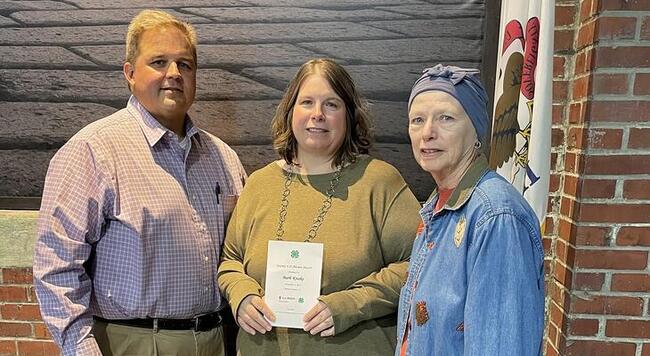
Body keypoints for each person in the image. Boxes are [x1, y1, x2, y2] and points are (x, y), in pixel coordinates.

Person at [33, 9, 245, 356]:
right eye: (159, 62)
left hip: (217, 340)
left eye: (185, 64)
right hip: (133, 343)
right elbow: (56, 268)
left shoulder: (223, 158)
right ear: (129, 73)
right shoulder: (93, 151)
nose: (174, 74)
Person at [218, 58, 421, 355]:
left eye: (331, 104)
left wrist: (351, 304)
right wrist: (242, 295)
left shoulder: (378, 181)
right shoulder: (260, 184)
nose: (317, 115)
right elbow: (230, 261)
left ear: (349, 116)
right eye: (307, 102)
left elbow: (420, 265)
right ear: (290, 113)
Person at [396, 64, 544, 356]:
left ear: (476, 129)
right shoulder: (437, 208)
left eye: (445, 118)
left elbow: (502, 347)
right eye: (417, 120)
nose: (427, 133)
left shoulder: (497, 217)